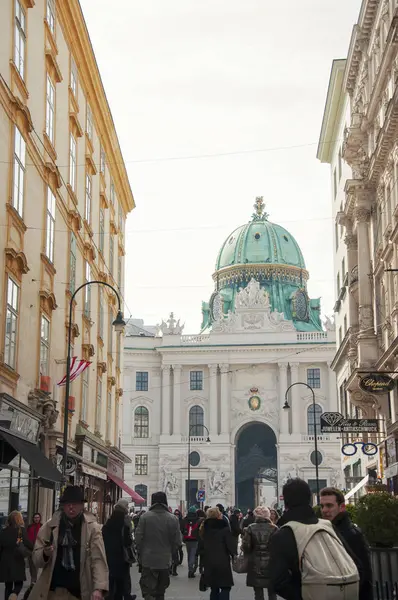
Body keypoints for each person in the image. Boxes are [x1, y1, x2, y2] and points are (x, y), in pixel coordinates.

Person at [268, 478, 359, 600]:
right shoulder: (328, 526)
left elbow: (278, 582)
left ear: (286, 502)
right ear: (310, 499)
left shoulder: (283, 534)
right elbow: (355, 562)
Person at [30, 485, 108, 600]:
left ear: (82, 505)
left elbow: (98, 559)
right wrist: (45, 554)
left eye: (75, 504)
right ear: (63, 506)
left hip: (79, 592)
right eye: (67, 504)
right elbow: (36, 560)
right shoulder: (50, 526)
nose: (71, 507)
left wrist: (99, 588)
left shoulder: (92, 529)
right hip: (53, 592)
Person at [320, 487, 373, 600]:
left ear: (342, 507)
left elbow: (364, 574)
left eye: (329, 505)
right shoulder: (327, 531)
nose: (324, 510)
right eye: (322, 506)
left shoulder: (353, 534)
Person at [135, 491, 181, 600]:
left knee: (148, 590)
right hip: (165, 560)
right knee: (161, 591)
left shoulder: (145, 517)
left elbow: (138, 539)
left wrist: (141, 553)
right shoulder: (173, 518)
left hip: (148, 560)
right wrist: (170, 552)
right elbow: (178, 541)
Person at [197, 507, 236, 600]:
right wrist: (234, 555)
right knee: (225, 587)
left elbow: (200, 547)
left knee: (214, 588)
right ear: (218, 515)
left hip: (209, 562)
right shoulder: (224, 528)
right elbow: (230, 546)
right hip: (222, 562)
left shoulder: (204, 529)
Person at [102, 499, 136, 600]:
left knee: (111, 578)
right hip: (121, 554)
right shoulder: (125, 520)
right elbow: (127, 540)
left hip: (109, 553)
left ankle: (110, 596)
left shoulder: (109, 519)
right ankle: (125, 596)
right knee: (123, 578)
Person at [241, 506, 277, 600]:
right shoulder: (274, 528)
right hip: (272, 563)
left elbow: (246, 547)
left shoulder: (250, 528)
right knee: (272, 593)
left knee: (258, 594)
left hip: (255, 563)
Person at [0, 510, 33, 600]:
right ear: (19, 519)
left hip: (5, 561)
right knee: (19, 584)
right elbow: (27, 543)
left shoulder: (3, 531)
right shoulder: (21, 530)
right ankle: (14, 595)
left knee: (8, 586)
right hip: (17, 560)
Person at [181, 506, 200, 578]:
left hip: (187, 539)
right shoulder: (197, 519)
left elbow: (182, 529)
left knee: (189, 555)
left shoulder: (185, 519)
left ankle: (191, 568)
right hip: (195, 539)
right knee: (193, 554)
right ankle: (191, 569)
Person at [26, 513, 42, 584]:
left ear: (39, 518)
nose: (36, 519)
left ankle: (34, 580)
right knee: (31, 565)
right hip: (30, 548)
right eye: (35, 517)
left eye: (38, 517)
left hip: (38, 548)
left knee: (36, 565)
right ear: (33, 518)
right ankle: (33, 579)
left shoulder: (42, 526)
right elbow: (26, 536)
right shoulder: (30, 526)